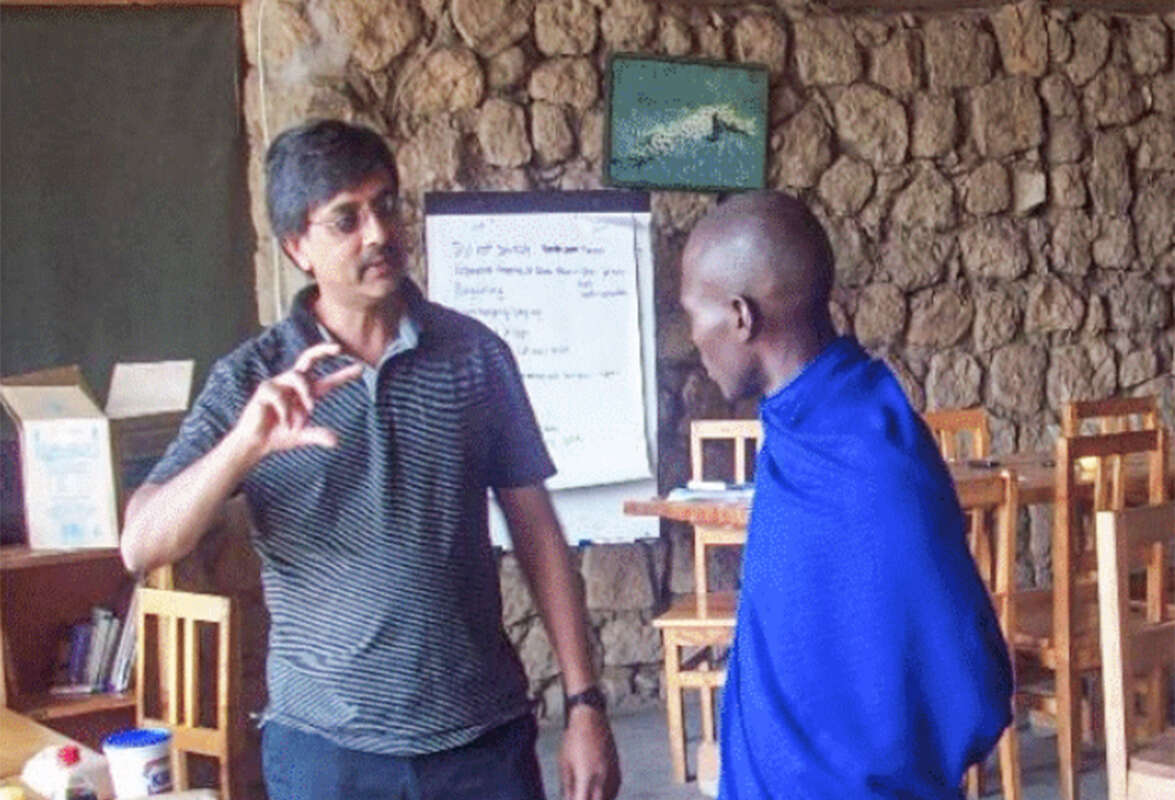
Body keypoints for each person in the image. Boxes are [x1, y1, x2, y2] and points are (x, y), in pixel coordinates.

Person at [120, 119, 620, 800]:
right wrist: (243, 446)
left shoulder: (474, 356)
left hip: (480, 742)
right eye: (345, 219)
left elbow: (537, 532)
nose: (378, 233)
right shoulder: (252, 379)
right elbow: (141, 543)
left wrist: (585, 703)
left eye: (385, 205)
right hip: (327, 754)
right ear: (297, 246)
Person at [678, 191, 1013, 799]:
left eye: (693, 314)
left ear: (741, 317)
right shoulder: (800, 421)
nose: (693, 339)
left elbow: (972, 684)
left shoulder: (871, 453)